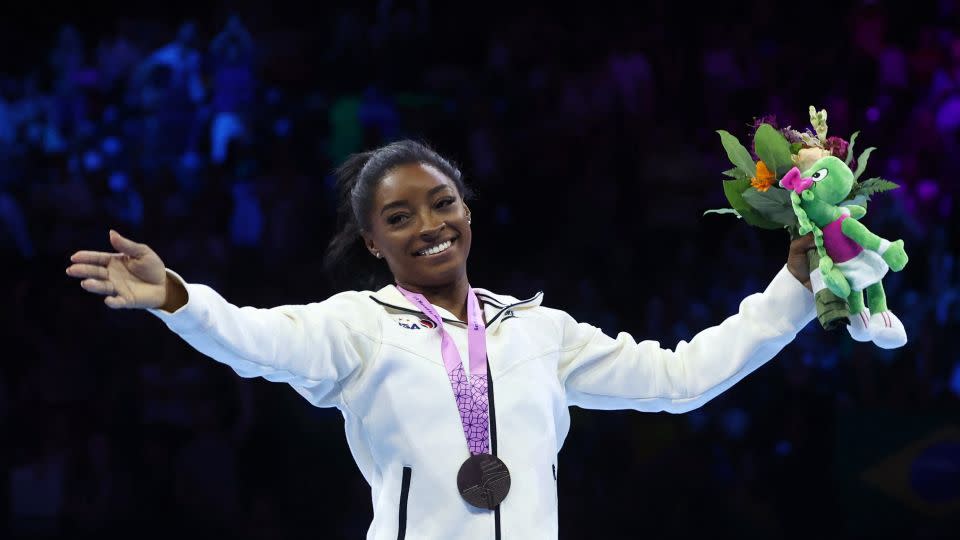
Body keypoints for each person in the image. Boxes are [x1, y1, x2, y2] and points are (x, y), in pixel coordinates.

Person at [66, 139, 818, 539]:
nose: (428, 226)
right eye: (399, 218)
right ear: (371, 241)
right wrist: (176, 297)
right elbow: (253, 341)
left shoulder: (538, 329)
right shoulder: (355, 327)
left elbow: (682, 378)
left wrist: (794, 290)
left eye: (442, 203)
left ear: (467, 211)